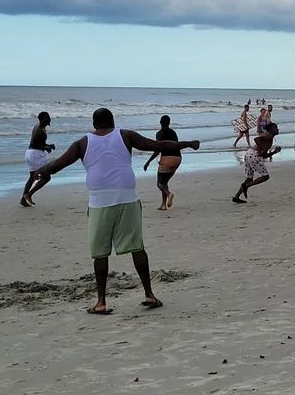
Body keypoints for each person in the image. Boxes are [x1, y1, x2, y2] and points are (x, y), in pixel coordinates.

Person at [34, 108, 200, 315]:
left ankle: (101, 302)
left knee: (100, 253)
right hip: (128, 199)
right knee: (137, 247)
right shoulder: (125, 135)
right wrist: (188, 143)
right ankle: (149, 294)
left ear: (94, 124)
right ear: (113, 122)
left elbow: (60, 163)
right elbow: (158, 145)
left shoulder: (83, 143)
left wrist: (42, 171)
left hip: (99, 203)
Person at [232, 122, 282, 203]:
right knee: (265, 177)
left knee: (249, 178)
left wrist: (274, 152)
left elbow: (264, 155)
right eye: (275, 128)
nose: (277, 129)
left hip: (249, 153)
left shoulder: (269, 138)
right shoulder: (269, 136)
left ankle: (236, 197)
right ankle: (246, 186)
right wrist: (263, 149)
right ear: (270, 130)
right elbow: (257, 139)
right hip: (253, 155)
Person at [143, 115, 182, 211]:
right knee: (164, 182)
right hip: (177, 158)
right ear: (169, 123)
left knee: (160, 183)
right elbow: (177, 145)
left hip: (167, 159)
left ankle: (169, 194)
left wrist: (148, 161)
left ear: (160, 122)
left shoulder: (159, 134)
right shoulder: (173, 133)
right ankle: (163, 205)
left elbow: (158, 150)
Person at [21, 111, 55, 207]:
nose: (49, 119)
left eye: (49, 117)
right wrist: (46, 147)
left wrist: (48, 146)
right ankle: (29, 195)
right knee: (46, 177)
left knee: (32, 177)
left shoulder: (40, 127)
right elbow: (35, 144)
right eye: (47, 118)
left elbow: (37, 142)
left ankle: (23, 200)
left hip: (31, 153)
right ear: (42, 119)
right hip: (35, 154)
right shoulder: (39, 130)